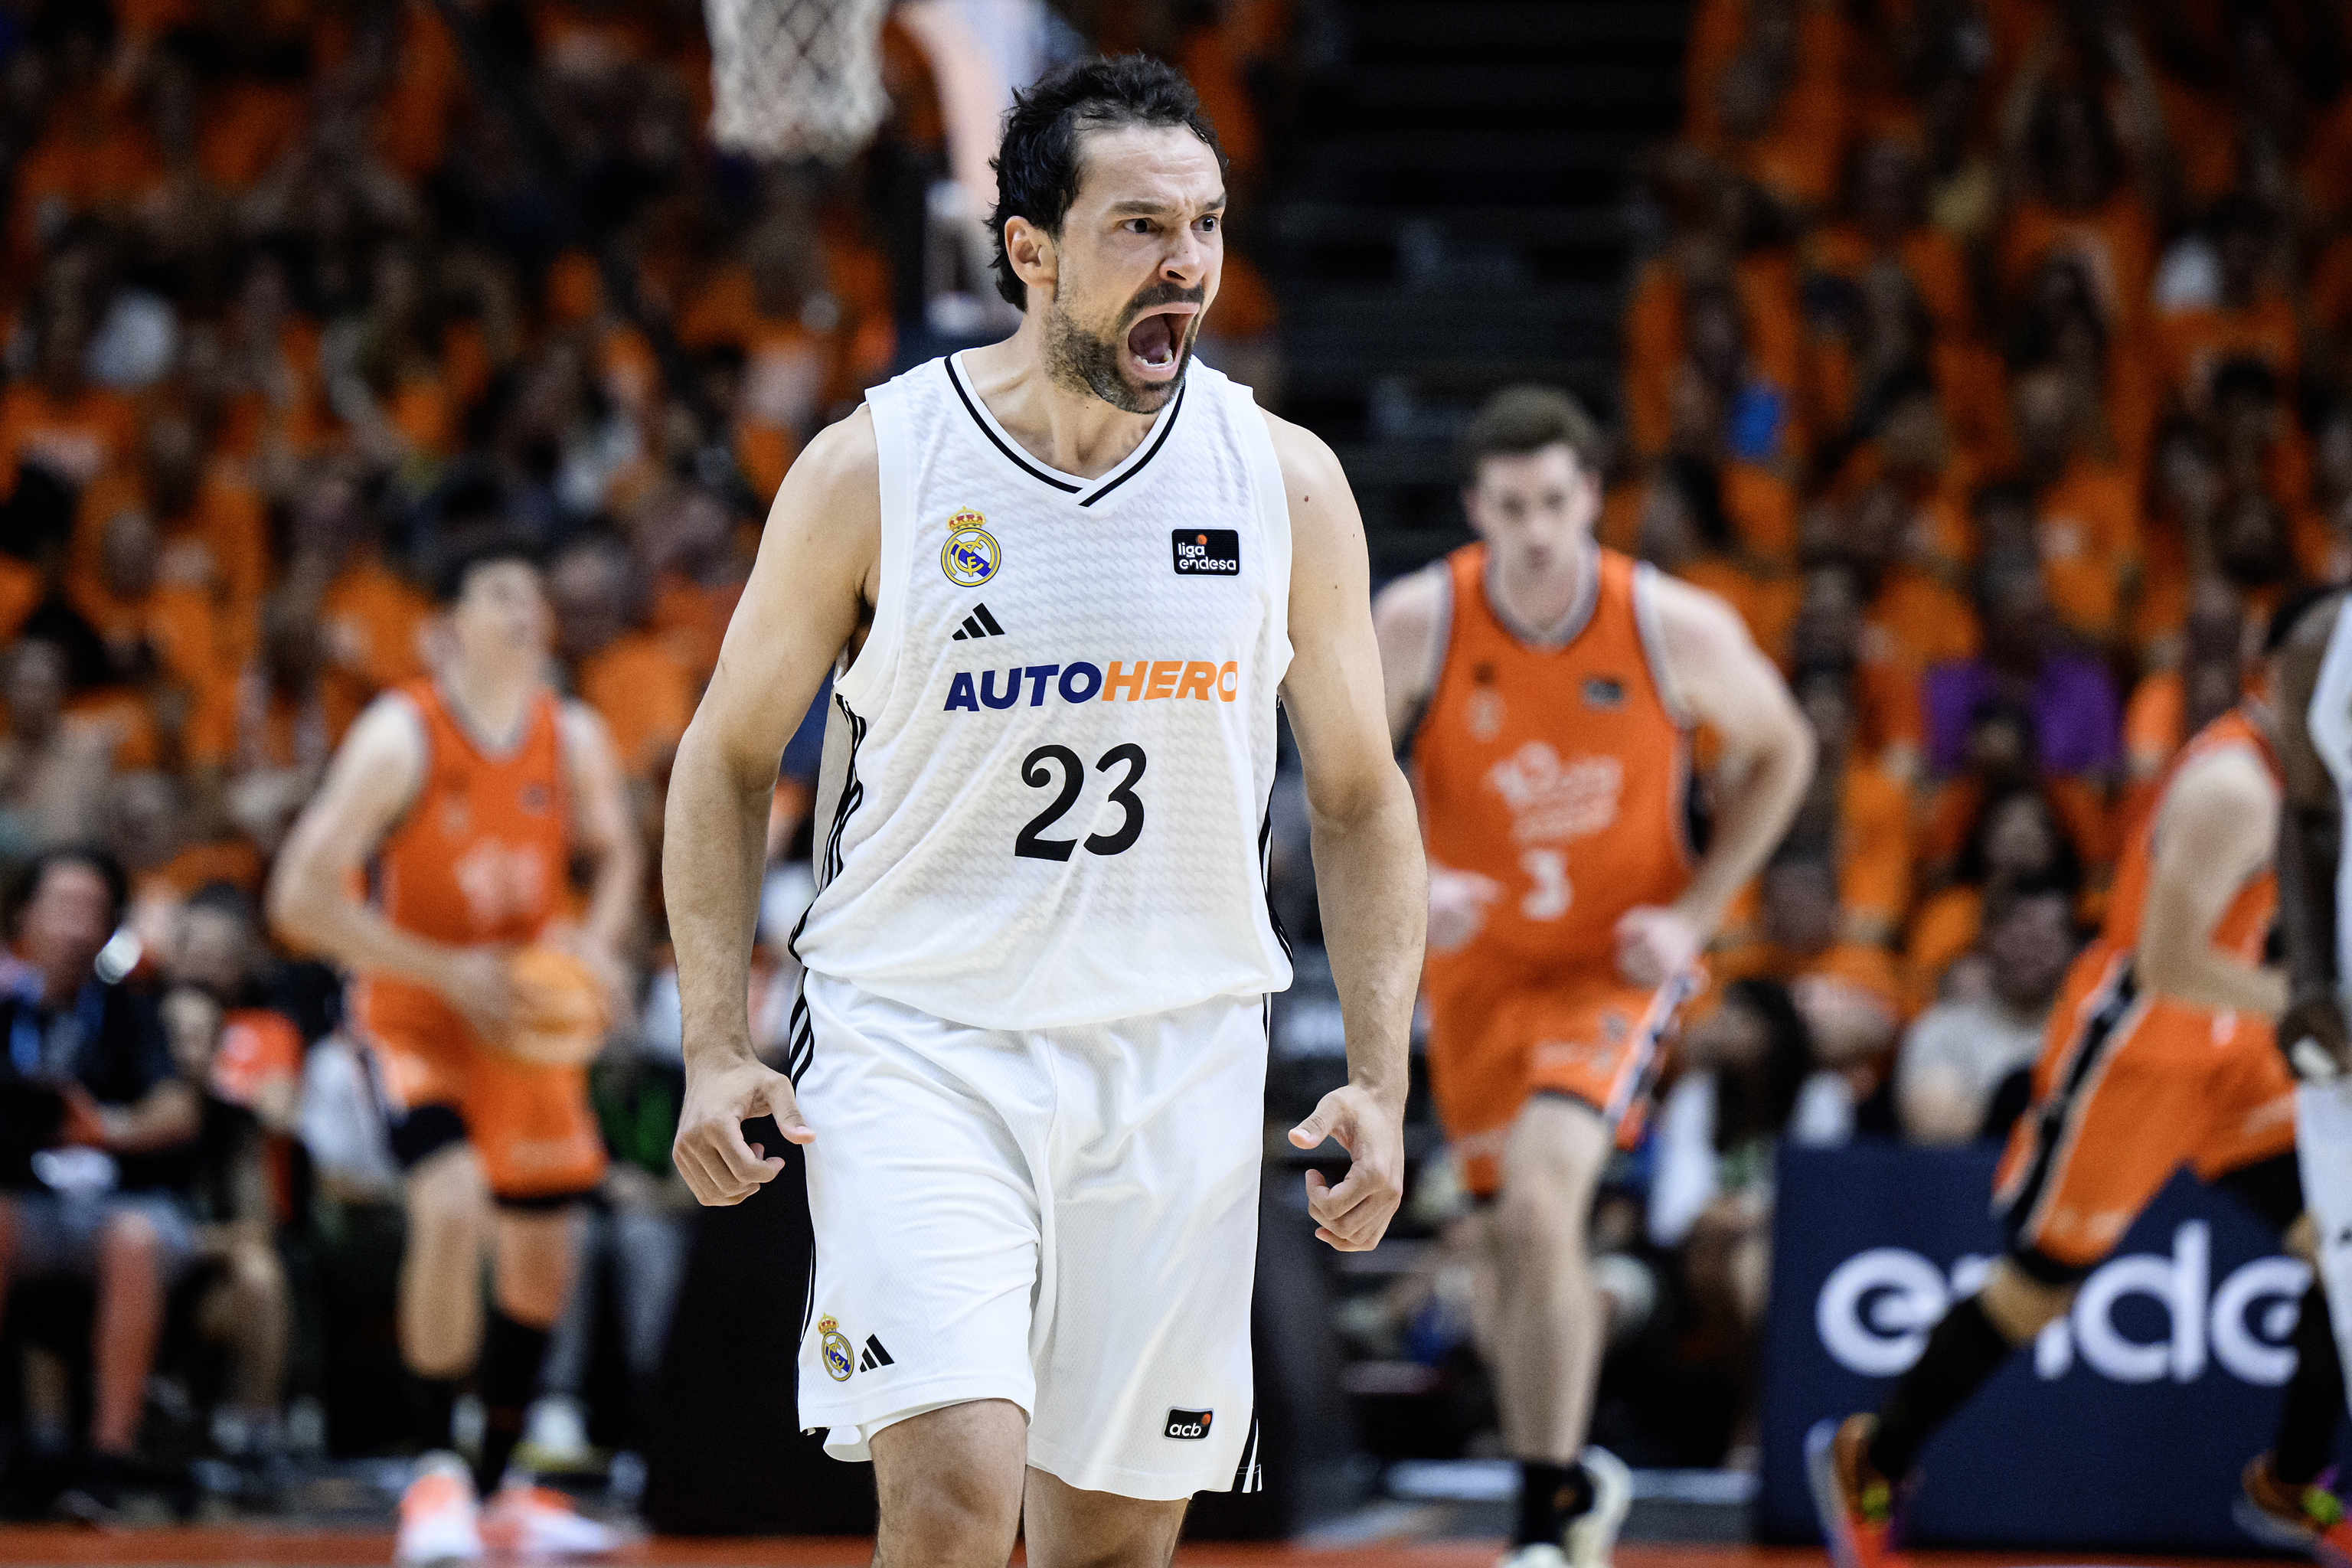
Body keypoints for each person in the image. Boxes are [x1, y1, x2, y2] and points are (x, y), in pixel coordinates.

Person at [663, 55, 1423, 1568]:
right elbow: (724, 754)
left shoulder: (1285, 483)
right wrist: (708, 1043)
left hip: (1178, 1052)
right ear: (1030, 250)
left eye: (1205, 225)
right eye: (1141, 227)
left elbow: (1356, 793)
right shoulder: (874, 467)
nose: (1188, 265)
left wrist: (1387, 1079)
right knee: (951, 1499)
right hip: (918, 1038)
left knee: (1110, 1547)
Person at [1810, 590, 2352, 1567]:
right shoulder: (2237, 782)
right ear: (2277, 670)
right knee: (2039, 1289)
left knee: (2347, 1247)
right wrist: (2310, 1000)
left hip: (2235, 1049)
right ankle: (1869, 1458)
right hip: (2141, 1043)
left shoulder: (2321, 764)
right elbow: (2169, 965)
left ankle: (2290, 1480)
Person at [1373, 385, 1813, 1567]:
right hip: (1479, 971)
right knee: (1513, 1239)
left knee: (1541, 1189)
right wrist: (1412, 872)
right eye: (1510, 505)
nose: (1533, 529)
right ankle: (1562, 1489)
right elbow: (1338, 756)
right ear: (1475, 507)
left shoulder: (1670, 625)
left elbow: (1784, 749)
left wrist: (1697, 914)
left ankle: (1542, 1512)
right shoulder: (1422, 619)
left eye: (1554, 502)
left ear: (1590, 499)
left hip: (1614, 966)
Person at [266, 535, 641, 1565]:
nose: (527, 615)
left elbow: (616, 852)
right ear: (445, 629)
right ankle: (433, 1474)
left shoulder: (572, 735)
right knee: (451, 1201)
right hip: (414, 1018)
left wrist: (594, 949)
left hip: (521, 1025)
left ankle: (501, 1487)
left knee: (541, 1261)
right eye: (500, 597)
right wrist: (440, 971)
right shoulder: (401, 736)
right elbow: (297, 895)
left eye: (535, 598)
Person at [0, 847, 201, 1499]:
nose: (78, 927)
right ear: (24, 916)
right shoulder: (7, 1007)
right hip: (25, 1204)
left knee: (134, 1239)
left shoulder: (134, 1010)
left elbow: (178, 1108)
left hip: (122, 1203)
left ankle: (109, 1454)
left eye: (93, 911)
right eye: (63, 907)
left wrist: (109, 1129)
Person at [1895, 879, 2076, 1145]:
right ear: (1987, 938)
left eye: (2044, 939)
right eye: (2016, 937)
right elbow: (1934, 1133)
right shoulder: (1939, 1029)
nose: (2029, 952)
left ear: (2072, 947)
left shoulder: (2090, 1038)